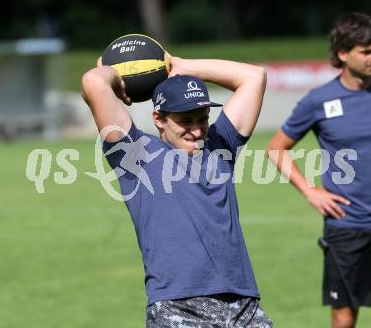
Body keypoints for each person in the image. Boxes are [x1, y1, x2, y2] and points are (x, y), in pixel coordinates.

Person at [82, 54, 273, 327]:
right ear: (159, 119)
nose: (197, 131)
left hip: (243, 306)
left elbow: (254, 77)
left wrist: (185, 67)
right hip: (179, 308)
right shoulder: (135, 156)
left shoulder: (220, 147)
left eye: (202, 119)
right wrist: (113, 74)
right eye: (186, 121)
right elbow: (93, 81)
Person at [266, 12, 371, 328]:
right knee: (344, 318)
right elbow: (275, 149)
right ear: (343, 54)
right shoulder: (318, 101)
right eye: (366, 51)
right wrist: (310, 191)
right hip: (346, 228)